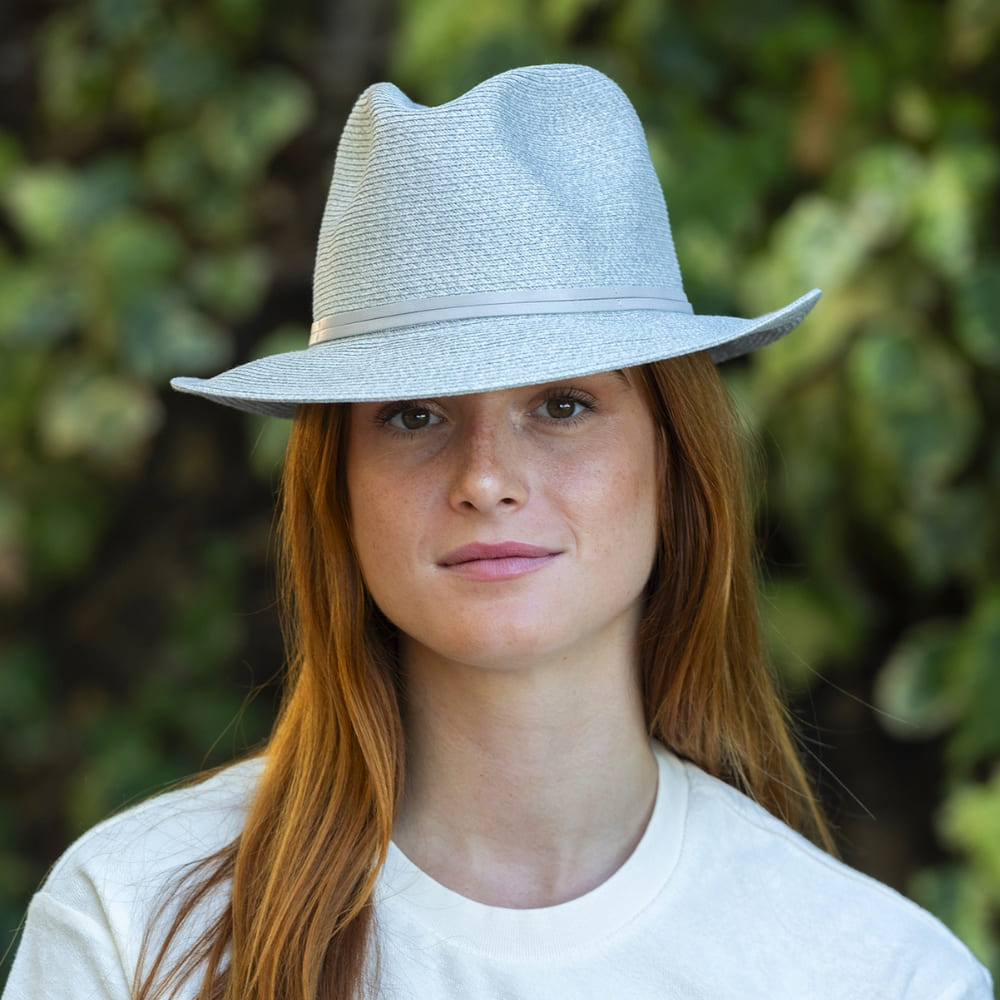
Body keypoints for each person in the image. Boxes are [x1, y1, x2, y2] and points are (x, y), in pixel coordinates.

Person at [3, 64, 991, 1000]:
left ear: (674, 463)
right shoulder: (136, 927)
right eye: (413, 414)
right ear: (337, 486)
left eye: (560, 405)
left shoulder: (872, 973)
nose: (484, 478)